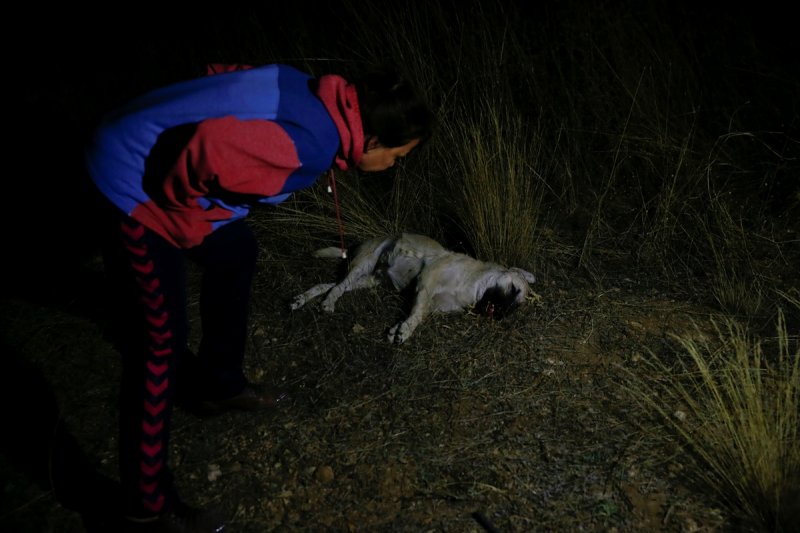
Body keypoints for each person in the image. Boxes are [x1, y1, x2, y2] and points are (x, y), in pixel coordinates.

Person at [85, 62, 434, 533]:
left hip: (140, 139)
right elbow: (205, 150)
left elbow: (219, 72)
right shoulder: (313, 144)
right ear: (371, 141)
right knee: (160, 342)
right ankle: (144, 505)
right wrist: (182, 221)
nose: (394, 165)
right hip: (131, 179)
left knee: (236, 250)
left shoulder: (309, 87)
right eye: (398, 155)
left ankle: (217, 385)